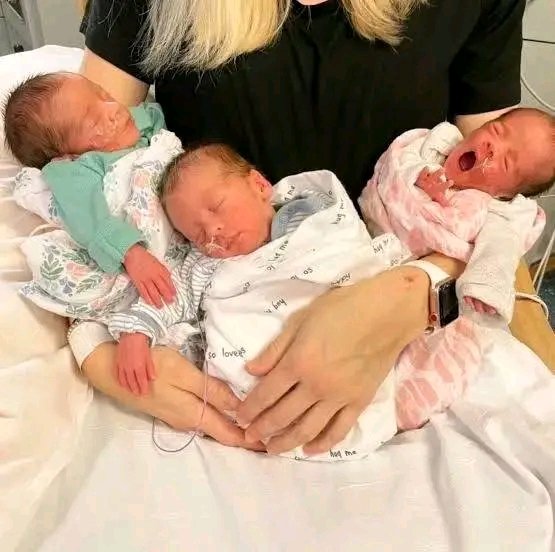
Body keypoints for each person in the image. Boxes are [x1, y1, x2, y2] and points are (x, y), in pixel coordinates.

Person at [77, 0, 553, 454]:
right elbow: (74, 159)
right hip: (195, 328)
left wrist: (413, 295)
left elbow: (498, 202)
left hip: (405, 325)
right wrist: (94, 351)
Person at [3, 73, 176, 308]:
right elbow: (89, 218)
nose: (114, 108)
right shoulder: (75, 171)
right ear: (68, 155)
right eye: (94, 121)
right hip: (143, 253)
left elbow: (155, 118)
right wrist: (131, 253)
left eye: (105, 96)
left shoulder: (136, 124)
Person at [360, 107, 552, 318]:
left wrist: (486, 288)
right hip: (365, 234)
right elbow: (400, 161)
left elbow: (498, 253)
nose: (492, 148)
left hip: (412, 280)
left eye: (506, 162)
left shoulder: (492, 213)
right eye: (497, 131)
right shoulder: (435, 146)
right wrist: (417, 175)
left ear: (504, 194)